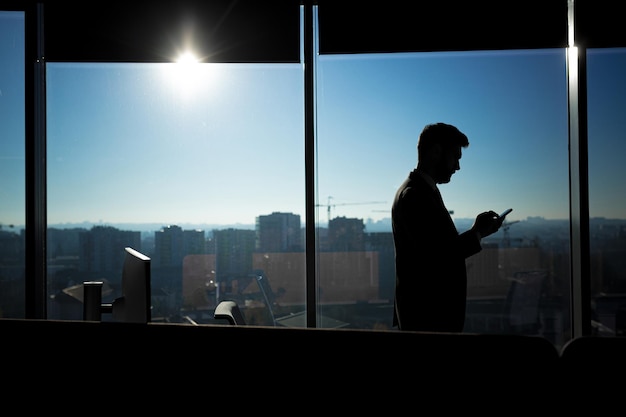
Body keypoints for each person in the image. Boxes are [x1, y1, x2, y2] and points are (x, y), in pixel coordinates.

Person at [392, 122, 504, 332]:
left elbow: (434, 248)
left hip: (426, 314)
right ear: (436, 152)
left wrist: (478, 232)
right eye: (455, 157)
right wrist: (477, 232)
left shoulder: (420, 191)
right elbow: (437, 255)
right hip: (429, 317)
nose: (457, 166)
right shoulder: (415, 195)